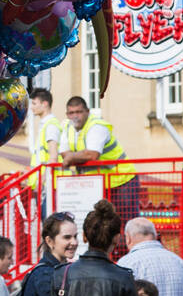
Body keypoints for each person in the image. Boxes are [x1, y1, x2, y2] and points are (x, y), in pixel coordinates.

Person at [59, 97, 138, 226]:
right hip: (99, 184)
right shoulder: (67, 127)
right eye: (71, 113)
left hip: (122, 180)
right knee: (103, 225)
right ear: (67, 114)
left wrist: (72, 157)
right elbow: (64, 154)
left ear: (87, 112)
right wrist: (74, 156)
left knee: (127, 223)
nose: (75, 116)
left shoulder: (97, 126)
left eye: (79, 112)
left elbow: (92, 154)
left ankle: (130, 247)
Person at [28, 87, 62, 214]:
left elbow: (52, 157)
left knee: (50, 223)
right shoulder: (45, 125)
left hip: (49, 185)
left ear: (45, 104)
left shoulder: (51, 125)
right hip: (47, 185)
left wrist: (42, 181)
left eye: (34, 103)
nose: (31, 107)